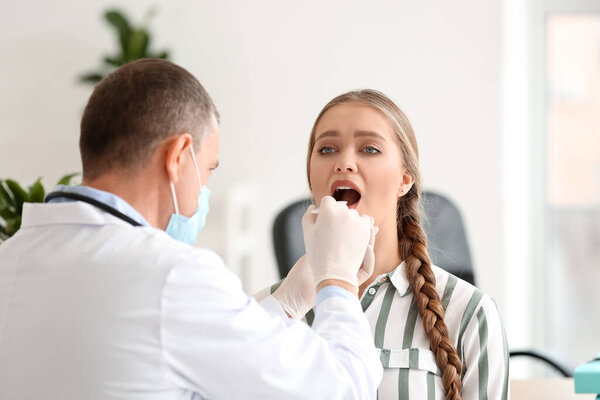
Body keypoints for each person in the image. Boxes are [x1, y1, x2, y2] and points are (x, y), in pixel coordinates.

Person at [0, 59, 383, 399]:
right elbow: (345, 388)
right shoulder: (169, 276)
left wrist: (287, 302)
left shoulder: (12, 258)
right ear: (179, 156)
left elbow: (189, 351)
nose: (205, 190)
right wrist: (338, 281)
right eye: (209, 169)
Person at [256, 89, 509, 400]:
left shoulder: (469, 312)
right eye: (326, 149)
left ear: (405, 179)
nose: (343, 163)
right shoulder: (267, 311)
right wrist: (284, 307)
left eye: (370, 149)